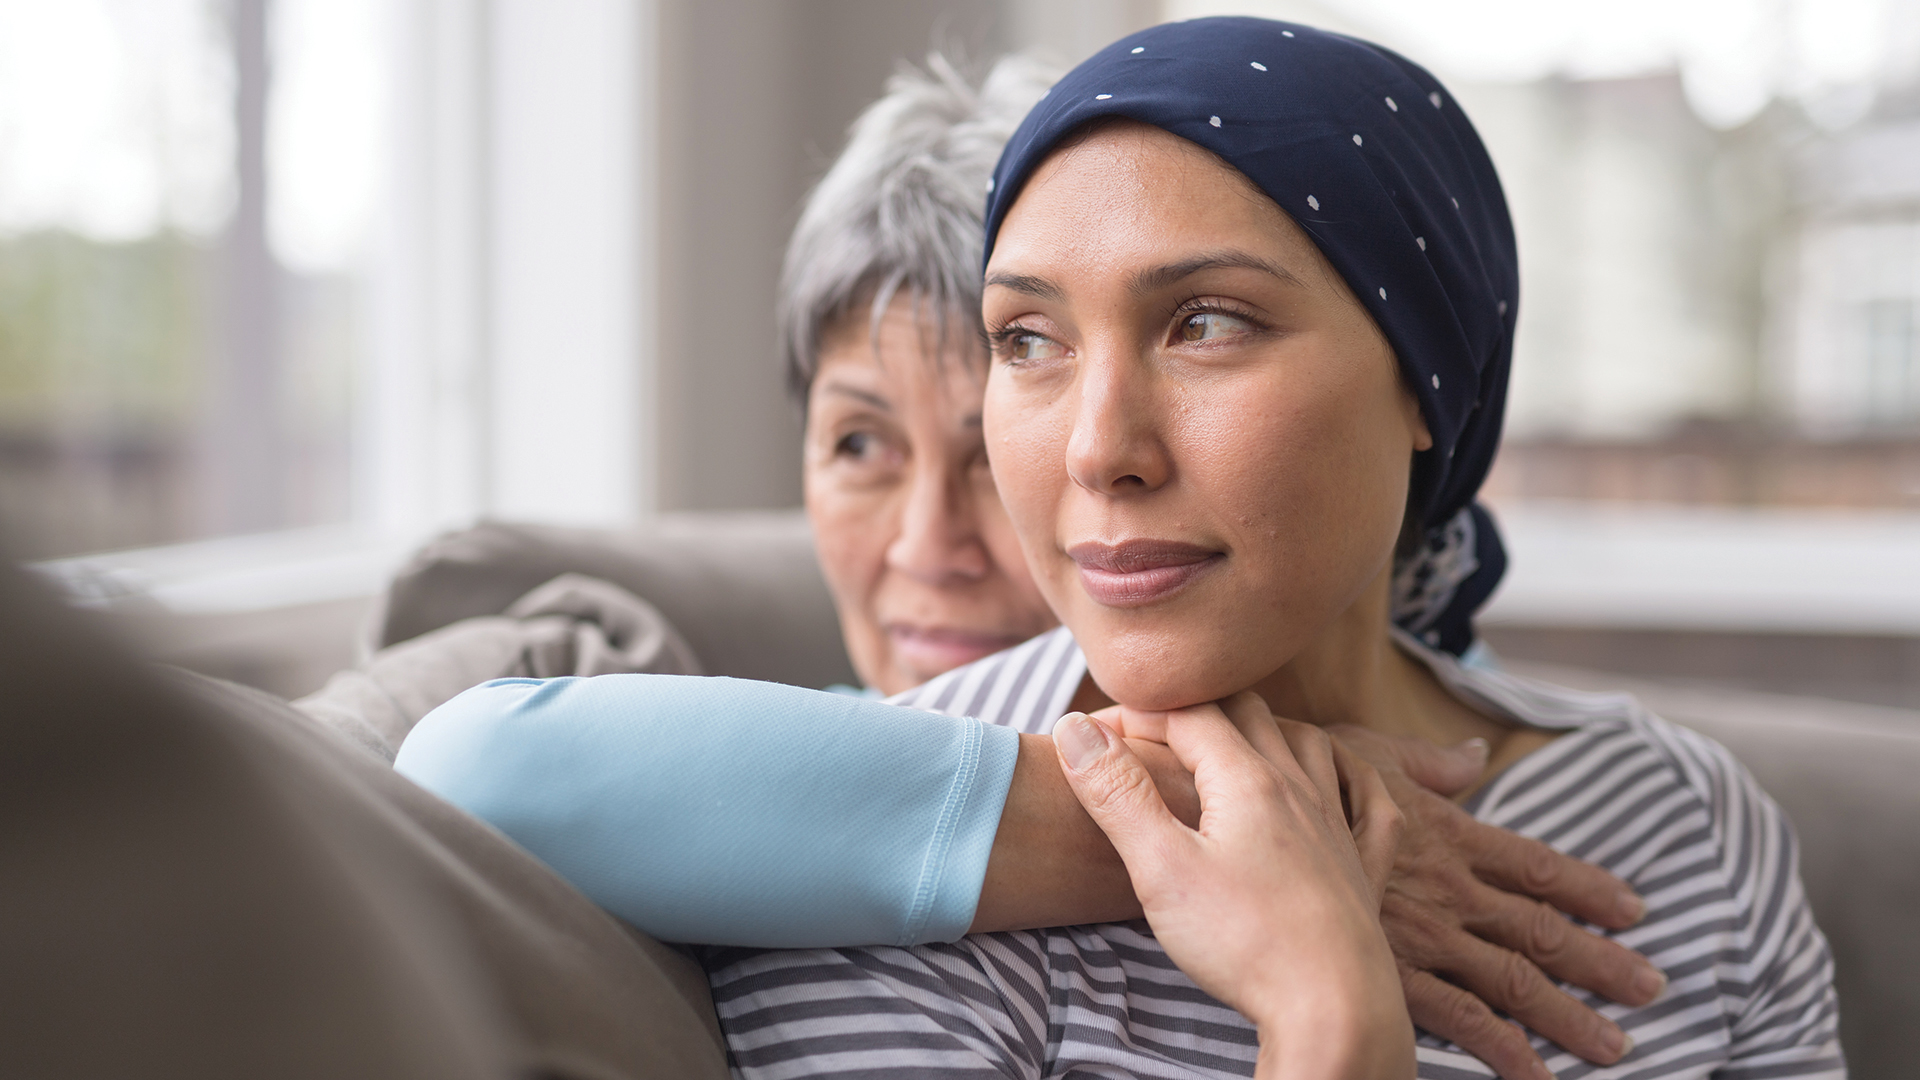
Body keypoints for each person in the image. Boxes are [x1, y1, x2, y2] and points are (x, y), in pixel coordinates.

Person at [405, 19, 1841, 1080]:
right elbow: (468, 770)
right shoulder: (870, 882)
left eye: (1206, 320)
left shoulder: (1688, 826)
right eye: (1026, 339)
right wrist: (1327, 1015)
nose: (1098, 447)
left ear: (1425, 379)